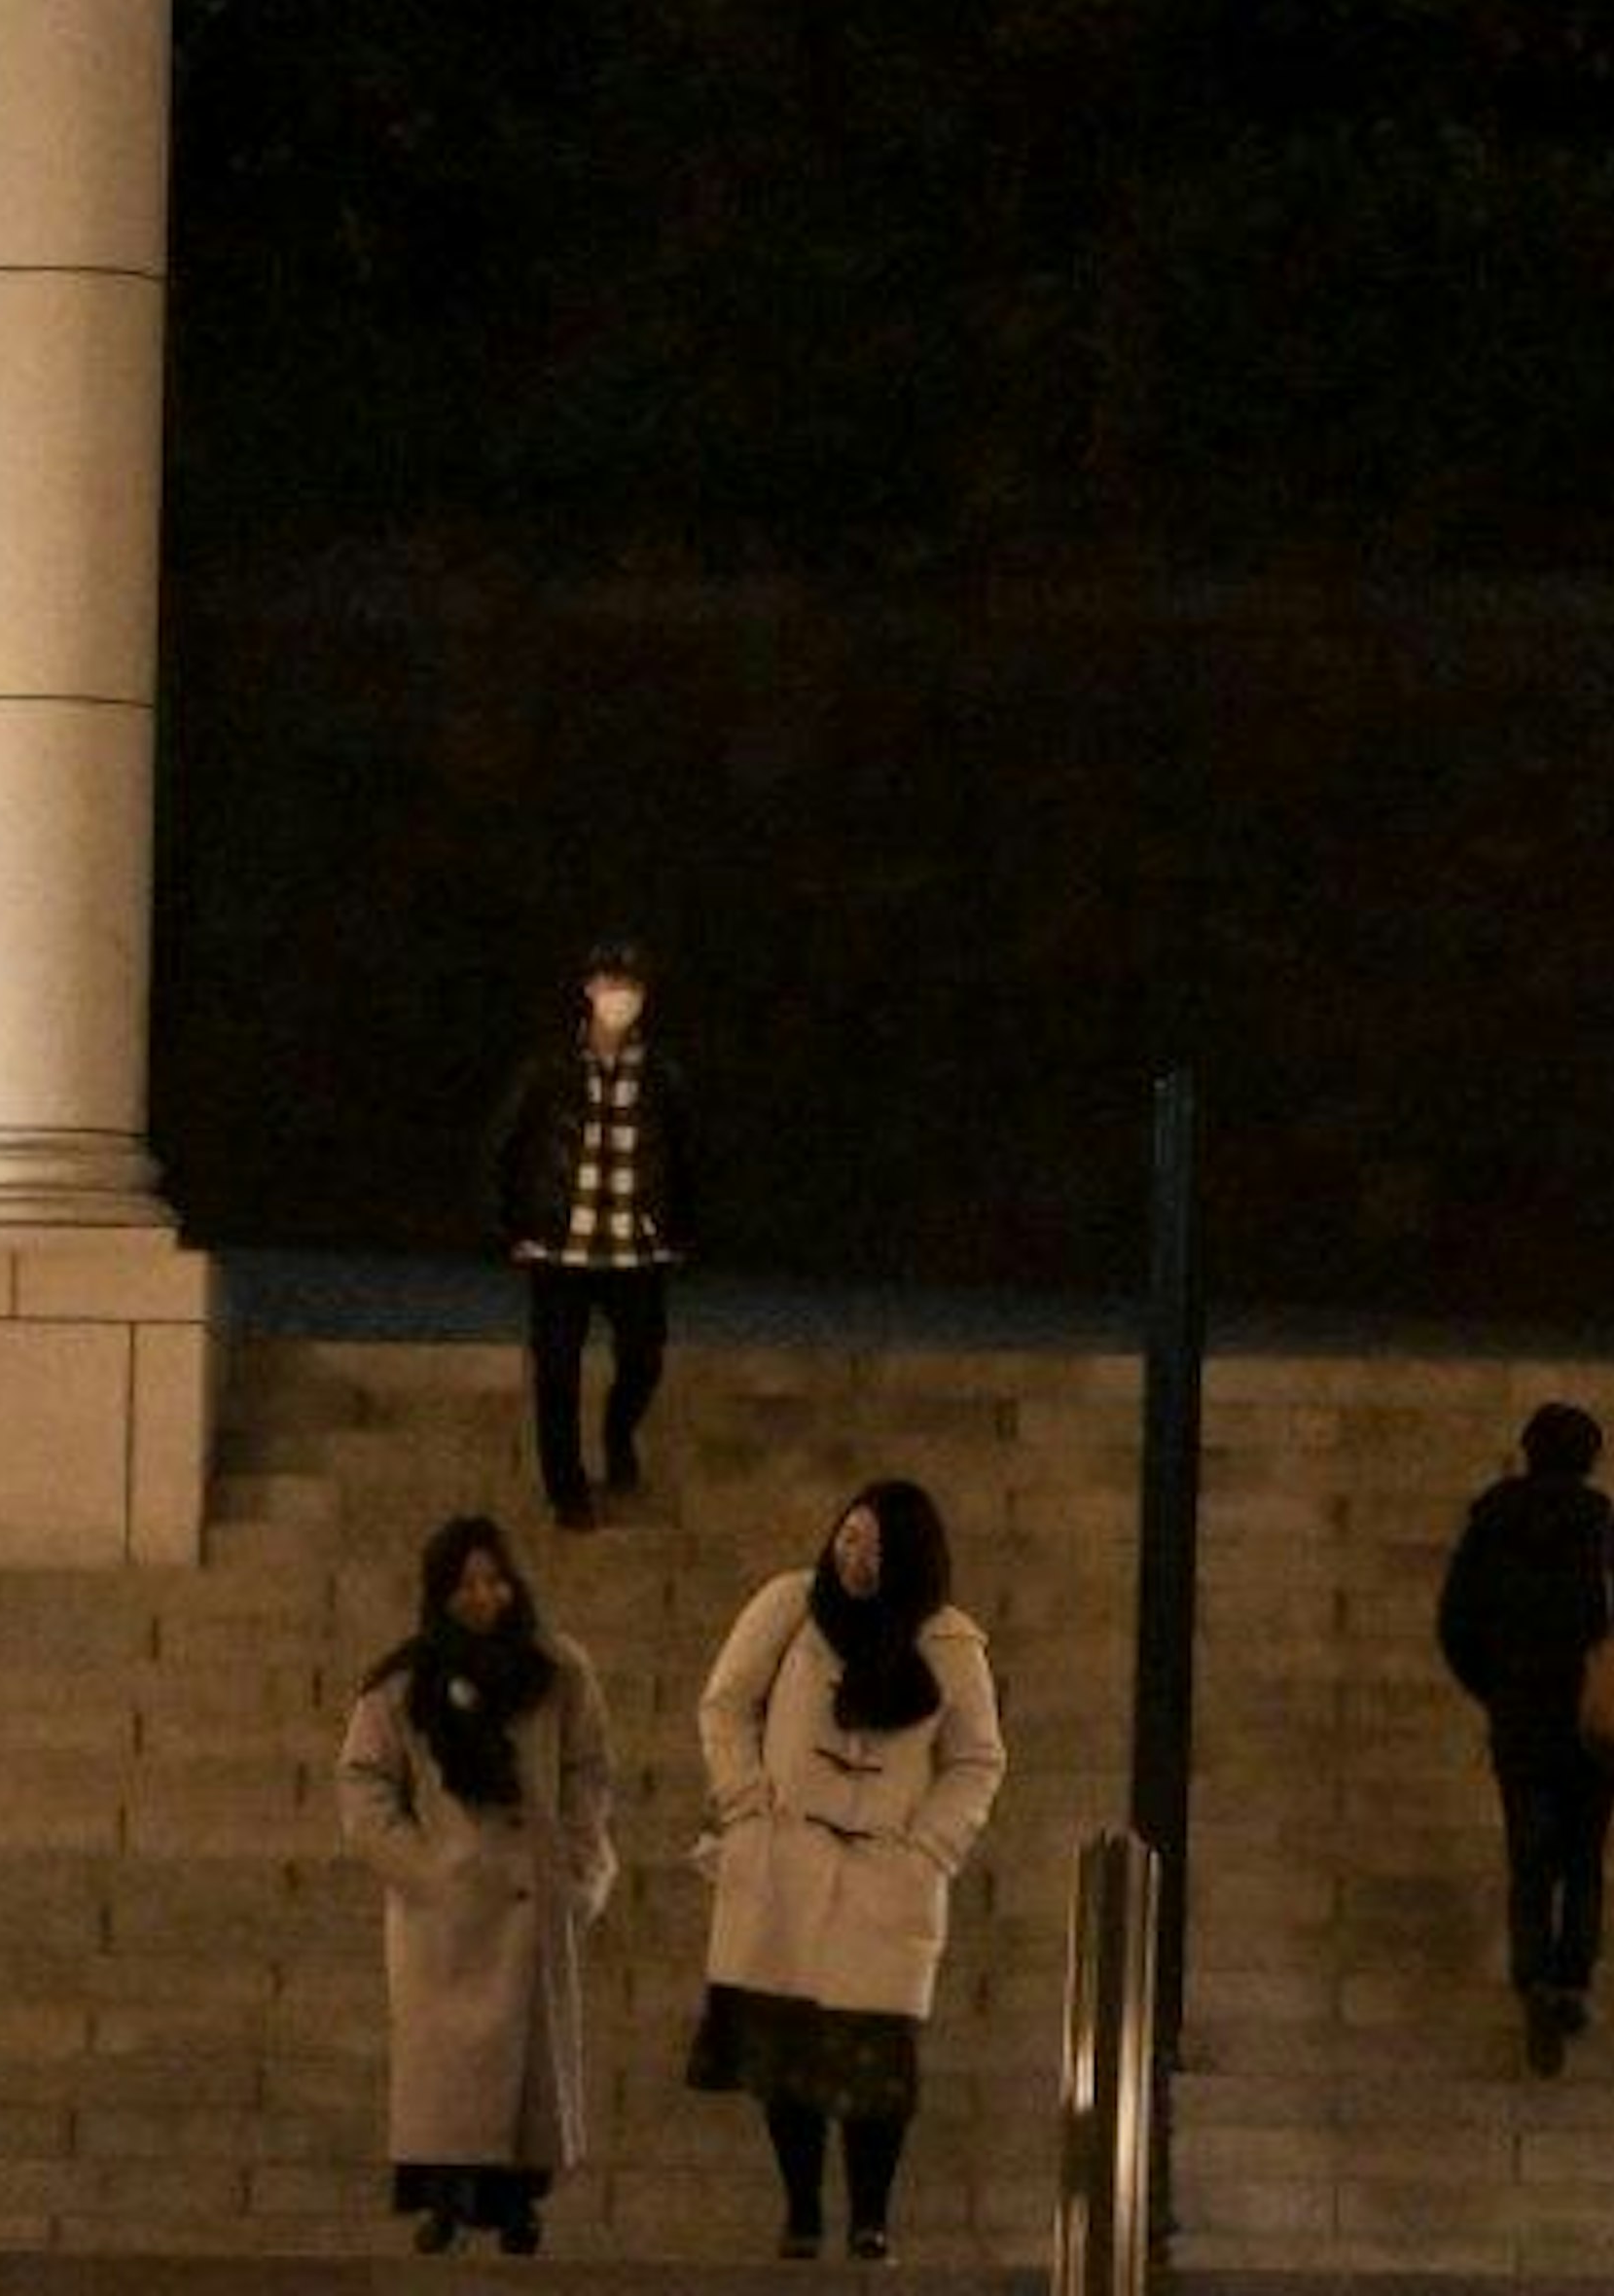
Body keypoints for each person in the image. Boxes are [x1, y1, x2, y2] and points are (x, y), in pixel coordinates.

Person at [690, 1480, 1006, 2263]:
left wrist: (929, 1845)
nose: (857, 1558)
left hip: (884, 1871)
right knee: (783, 2042)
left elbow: (974, 1758)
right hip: (784, 1855)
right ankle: (801, 2210)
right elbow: (727, 1702)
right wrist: (746, 1802)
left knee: (874, 2050)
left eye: (876, 1545)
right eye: (849, 1537)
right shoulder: (790, 1606)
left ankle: (871, 2215)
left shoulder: (949, 1642)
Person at [336, 1511, 618, 2255]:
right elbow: (364, 1785)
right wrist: (424, 1866)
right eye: (465, 1583)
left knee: (526, 2083)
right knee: (448, 2079)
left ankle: (518, 2204)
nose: (483, 1596)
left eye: (495, 1579)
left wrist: (584, 1866)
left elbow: (589, 1773)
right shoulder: (402, 1684)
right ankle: (447, 2202)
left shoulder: (560, 1671)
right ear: (440, 1591)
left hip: (532, 1898)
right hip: (446, 1916)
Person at [1432, 1399, 1614, 2076]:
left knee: (1530, 1852)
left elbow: (1455, 1621)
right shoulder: (1608, 1526)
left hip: (1520, 1716)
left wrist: (1496, 1684)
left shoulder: (1491, 1524)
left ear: (1529, 1450)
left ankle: (1532, 1974)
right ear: (1590, 1455)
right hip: (1592, 1719)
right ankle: (1572, 1978)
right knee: (1584, 1852)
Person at [490, 936, 695, 1530]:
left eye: (629, 987)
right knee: (556, 1372)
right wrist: (507, 1228)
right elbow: (502, 1145)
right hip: (561, 1247)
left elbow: (688, 1155)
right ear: (588, 990)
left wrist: (680, 1230)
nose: (618, 998)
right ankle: (567, 1491)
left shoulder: (660, 1073)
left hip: (637, 1249)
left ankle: (617, 1432)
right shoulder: (549, 1066)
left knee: (642, 1361)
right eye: (609, 985)